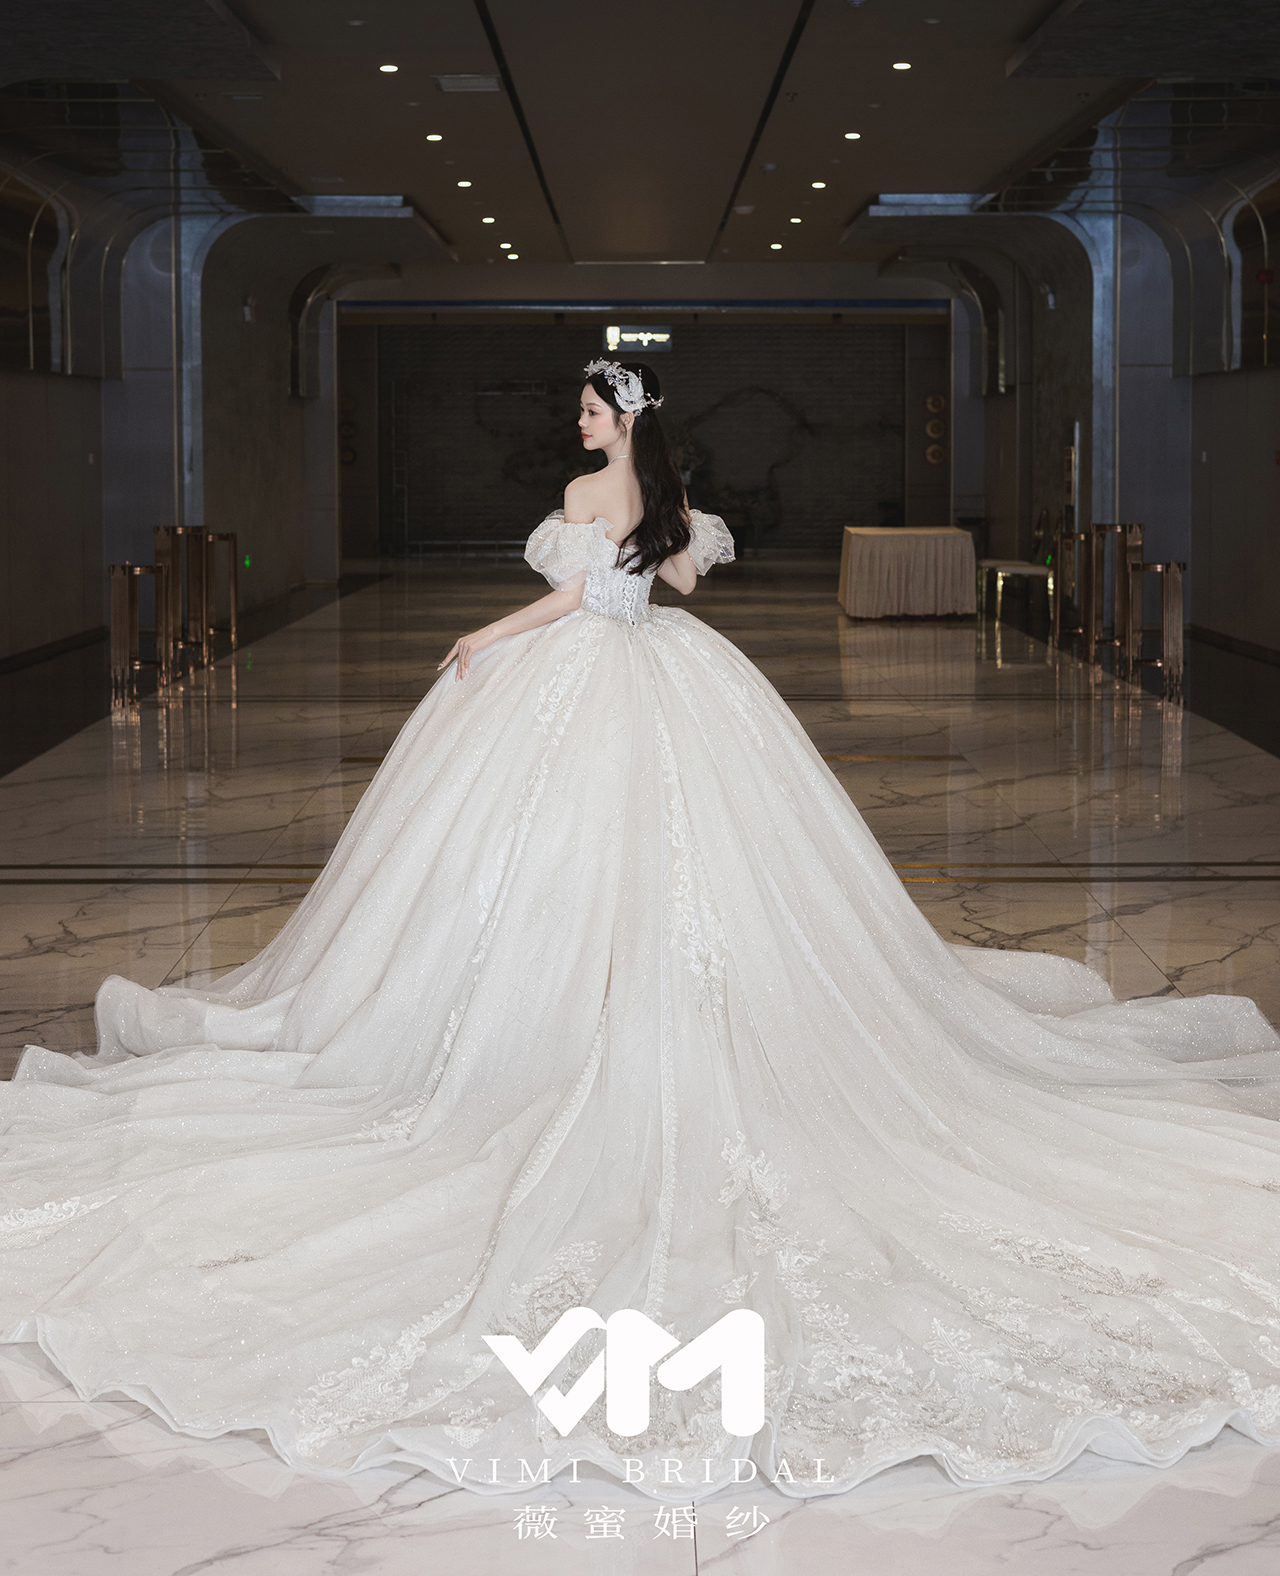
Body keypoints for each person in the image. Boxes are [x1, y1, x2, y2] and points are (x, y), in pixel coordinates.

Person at [3, 358, 1280, 1496]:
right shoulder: (667, 501)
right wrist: (649, 543)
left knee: (544, 862)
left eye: (585, 407)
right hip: (672, 679)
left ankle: (546, 1018)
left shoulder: (580, 495)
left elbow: (572, 603)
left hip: (577, 684)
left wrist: (481, 633)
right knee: (692, 862)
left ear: (616, 420)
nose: (574, 419)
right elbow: (668, 586)